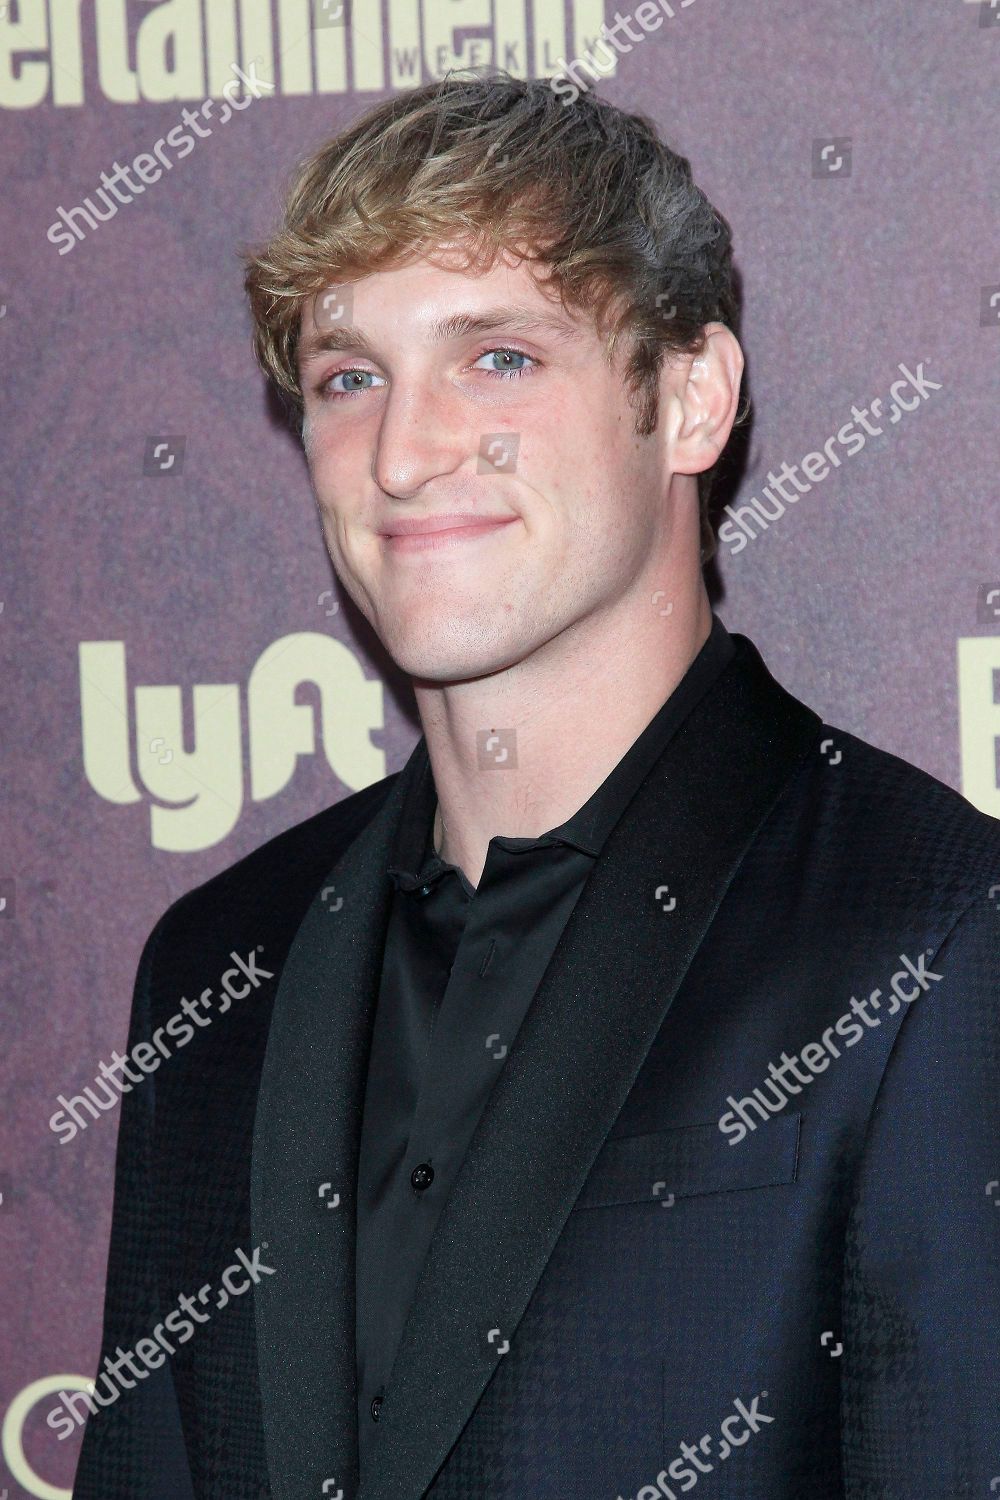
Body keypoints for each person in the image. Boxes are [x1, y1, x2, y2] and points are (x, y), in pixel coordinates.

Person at [73, 71, 999, 1500]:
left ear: (690, 398)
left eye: (498, 356)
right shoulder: (216, 969)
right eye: (347, 376)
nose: (402, 450)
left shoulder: (931, 932)